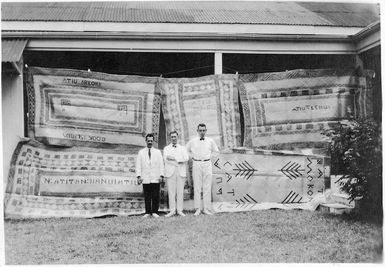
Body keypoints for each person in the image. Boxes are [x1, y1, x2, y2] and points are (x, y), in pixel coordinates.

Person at [186, 123, 219, 216]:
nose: (202, 132)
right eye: (200, 130)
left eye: (203, 130)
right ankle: (197, 208)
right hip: (197, 163)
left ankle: (206, 208)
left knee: (207, 187)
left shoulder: (210, 141)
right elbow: (186, 150)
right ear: (197, 131)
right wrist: (192, 157)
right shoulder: (192, 141)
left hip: (207, 163)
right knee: (197, 186)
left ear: (206, 131)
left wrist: (209, 157)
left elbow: (216, 151)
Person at [136, 133, 165, 218]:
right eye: (148, 141)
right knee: (147, 195)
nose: (149, 142)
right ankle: (148, 212)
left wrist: (161, 175)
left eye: (151, 141)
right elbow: (138, 165)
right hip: (145, 177)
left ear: (153, 141)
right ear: (146, 141)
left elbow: (161, 164)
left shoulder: (157, 152)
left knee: (155, 195)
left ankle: (155, 211)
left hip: (155, 177)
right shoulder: (141, 152)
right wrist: (139, 176)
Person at [163, 131, 189, 217]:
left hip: (180, 172)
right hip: (170, 172)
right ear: (170, 138)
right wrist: (179, 160)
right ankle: (172, 210)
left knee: (180, 192)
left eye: (175, 136)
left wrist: (174, 158)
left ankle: (180, 210)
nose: (173, 138)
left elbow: (186, 158)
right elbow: (166, 159)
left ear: (177, 137)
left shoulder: (183, 148)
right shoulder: (166, 148)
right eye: (172, 137)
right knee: (171, 192)